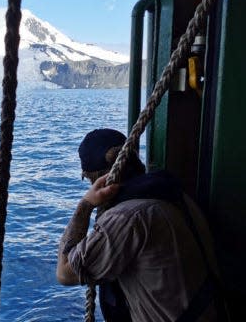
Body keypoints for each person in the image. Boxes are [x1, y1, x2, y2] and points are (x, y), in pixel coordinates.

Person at [56, 128, 223, 322]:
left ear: (97, 180)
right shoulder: (173, 194)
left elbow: (64, 273)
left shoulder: (127, 218)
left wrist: (85, 205)